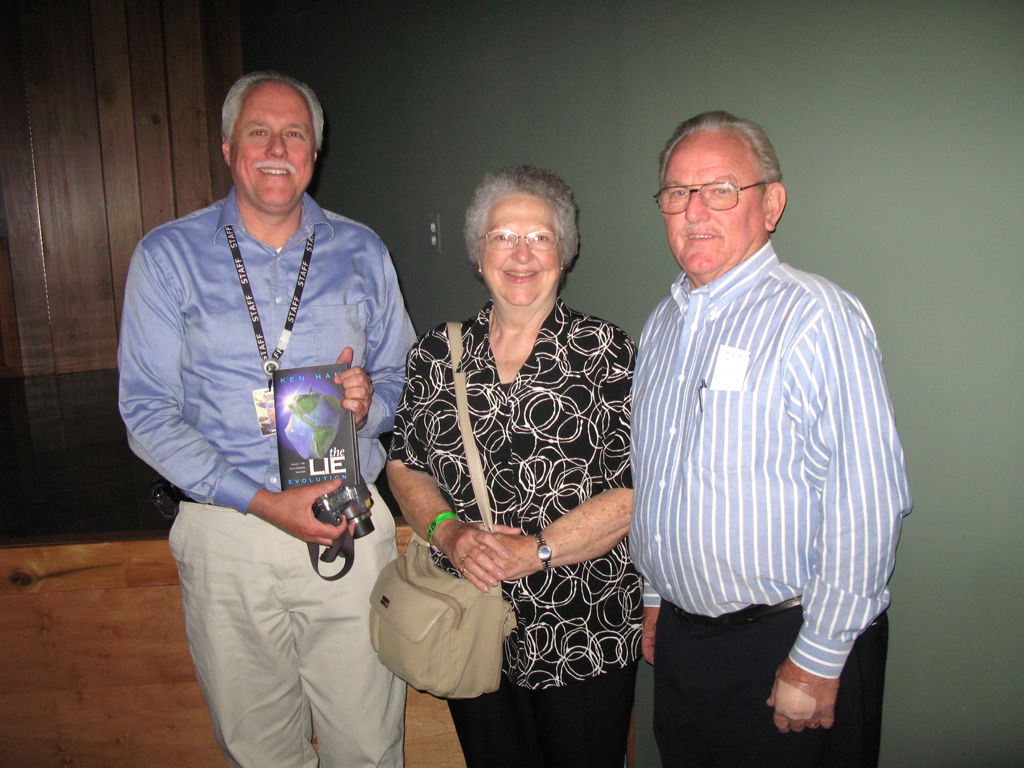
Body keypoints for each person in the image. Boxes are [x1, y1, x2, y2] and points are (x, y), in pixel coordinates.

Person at [118, 71, 415, 767]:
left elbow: (406, 377)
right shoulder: (167, 258)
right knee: (258, 751)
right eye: (259, 131)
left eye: (295, 134)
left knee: (370, 747)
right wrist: (261, 502)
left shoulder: (362, 251)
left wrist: (370, 402)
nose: (277, 148)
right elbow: (146, 412)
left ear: (316, 151)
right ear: (228, 147)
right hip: (229, 536)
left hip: (349, 521)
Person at [630, 111, 912, 767]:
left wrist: (818, 659)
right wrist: (655, 598)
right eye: (678, 193)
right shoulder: (663, 325)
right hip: (682, 642)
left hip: (789, 640)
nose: (696, 210)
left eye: (721, 189)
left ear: (771, 205)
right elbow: (659, 473)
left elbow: (866, 498)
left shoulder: (817, 316)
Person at [386, 165, 642, 768]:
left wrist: (537, 552)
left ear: (565, 251)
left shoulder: (608, 354)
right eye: (503, 237)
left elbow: (635, 491)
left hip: (585, 628)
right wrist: (448, 531)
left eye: (540, 237)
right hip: (471, 627)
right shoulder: (433, 354)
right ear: (479, 254)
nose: (521, 253)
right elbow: (406, 465)